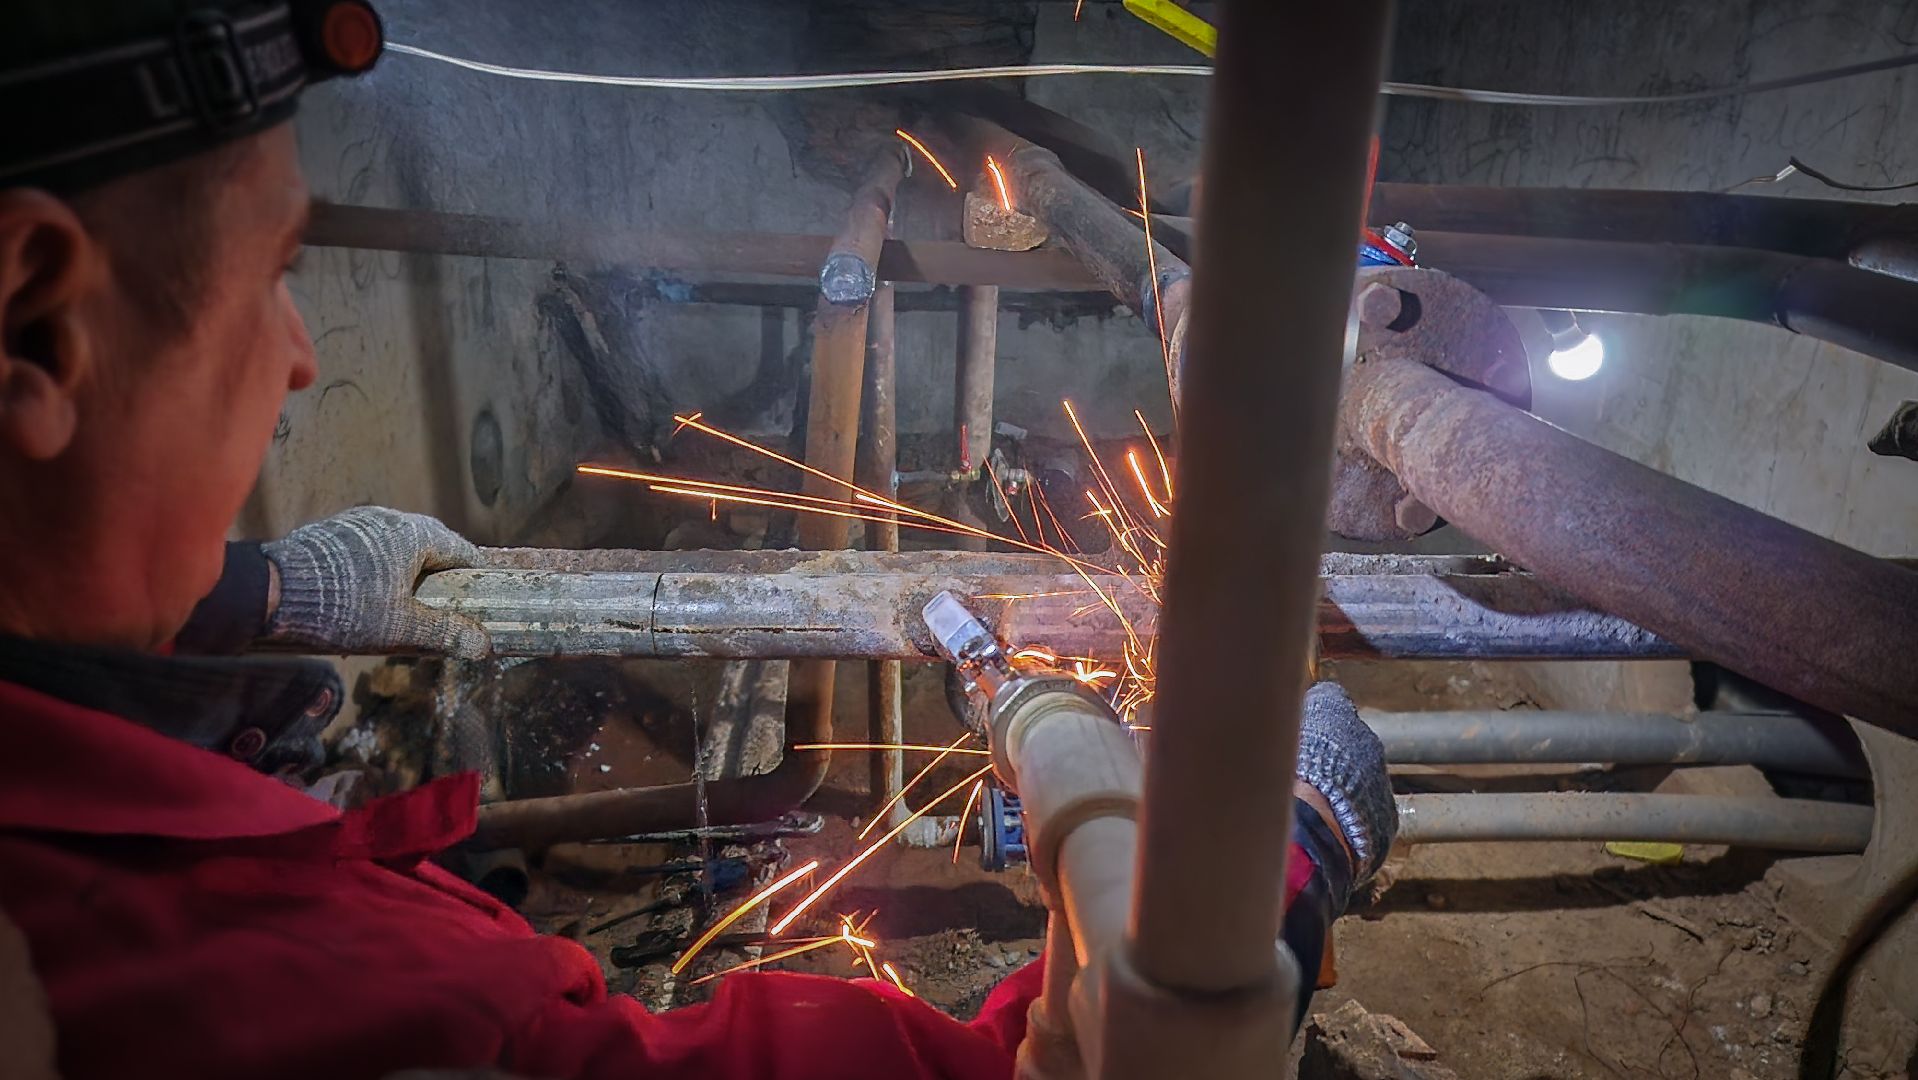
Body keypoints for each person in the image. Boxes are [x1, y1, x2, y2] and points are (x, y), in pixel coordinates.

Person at [0, 3, 1398, 1077]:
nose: (303, 358)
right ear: (37, 322)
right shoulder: (302, 993)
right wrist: (1268, 875)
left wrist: (226, 603)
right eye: (277, 276)